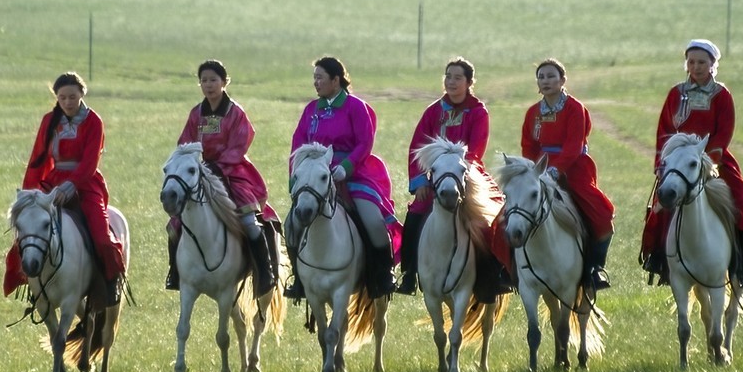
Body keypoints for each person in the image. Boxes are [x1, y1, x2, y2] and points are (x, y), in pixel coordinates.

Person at [641, 39, 743, 284]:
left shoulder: (722, 95)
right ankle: (659, 257)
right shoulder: (676, 93)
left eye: (702, 62)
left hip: (712, 160)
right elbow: (664, 129)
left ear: (712, 65)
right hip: (677, 160)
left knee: (741, 198)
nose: (696, 67)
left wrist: (707, 162)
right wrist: (662, 163)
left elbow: (724, 132)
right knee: (660, 203)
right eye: (692, 62)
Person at [493, 58, 616, 291]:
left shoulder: (575, 109)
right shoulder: (532, 113)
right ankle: (506, 268)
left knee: (601, 212)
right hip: (537, 171)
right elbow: (528, 145)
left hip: (574, 168)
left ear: (562, 80)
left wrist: (554, 170)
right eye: (541, 77)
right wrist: (534, 170)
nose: (546, 81)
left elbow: (573, 146)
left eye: (551, 76)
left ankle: (594, 268)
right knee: (506, 215)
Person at [2, 72, 125, 304]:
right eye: (62, 98)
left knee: (101, 237)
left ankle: (111, 283)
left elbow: (90, 162)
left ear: (82, 95)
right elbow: (37, 158)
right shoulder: (50, 120)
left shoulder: (93, 121)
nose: (68, 102)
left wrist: (70, 187)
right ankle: (31, 282)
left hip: (86, 183)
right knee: (28, 234)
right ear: (56, 98)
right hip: (53, 180)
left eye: (72, 97)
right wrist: (29, 194)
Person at [285, 56, 401, 300]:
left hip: (353, 173)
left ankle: (382, 274)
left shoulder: (355, 107)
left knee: (373, 222)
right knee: (291, 224)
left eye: (320, 78)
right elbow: (297, 145)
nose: (315, 83)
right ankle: (299, 279)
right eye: (314, 78)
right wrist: (295, 178)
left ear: (336, 80)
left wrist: (345, 167)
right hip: (315, 178)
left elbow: (365, 142)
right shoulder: (311, 110)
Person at [397, 57, 507, 301]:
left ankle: (494, 277)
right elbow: (417, 147)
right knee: (414, 218)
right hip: (435, 180)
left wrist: (458, 173)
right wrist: (421, 182)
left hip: (467, 176)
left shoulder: (478, 112)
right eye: (448, 76)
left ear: (469, 82)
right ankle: (409, 274)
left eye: (458, 77)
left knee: (487, 224)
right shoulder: (433, 111)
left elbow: (476, 150)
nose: (452, 82)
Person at [166, 59, 278, 297]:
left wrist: (218, 166)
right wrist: (193, 166)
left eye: (213, 80)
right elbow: (185, 145)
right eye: (204, 80)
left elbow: (241, 142)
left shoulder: (236, 112)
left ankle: (265, 272)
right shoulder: (196, 113)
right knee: (175, 225)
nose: (209, 85)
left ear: (225, 82)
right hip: (199, 173)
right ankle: (175, 273)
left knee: (250, 222)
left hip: (232, 172)